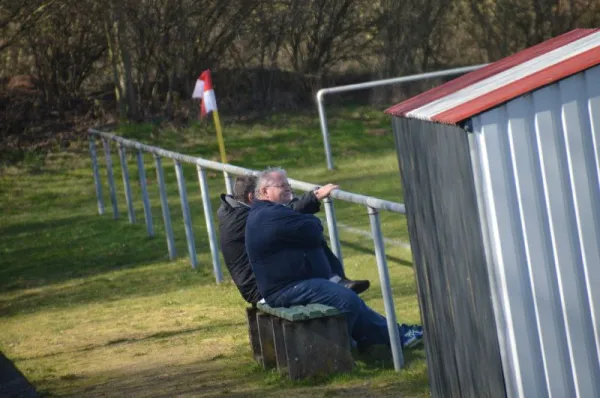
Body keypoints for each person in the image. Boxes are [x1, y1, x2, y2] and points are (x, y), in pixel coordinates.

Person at [245, 167, 423, 350]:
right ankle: (346, 345)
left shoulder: (270, 211)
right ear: (265, 192)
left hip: (295, 283)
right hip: (286, 289)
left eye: (288, 184)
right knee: (346, 299)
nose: (288, 188)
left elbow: (306, 226)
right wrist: (311, 222)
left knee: (347, 298)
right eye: (281, 185)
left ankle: (398, 335)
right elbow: (314, 228)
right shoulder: (269, 215)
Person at [217, 175, 370, 306]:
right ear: (252, 197)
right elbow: (288, 212)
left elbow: (285, 213)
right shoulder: (242, 218)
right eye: (261, 194)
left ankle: (336, 279)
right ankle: (335, 281)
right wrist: (314, 197)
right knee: (305, 233)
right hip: (262, 289)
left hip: (267, 279)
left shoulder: (235, 211)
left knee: (303, 231)